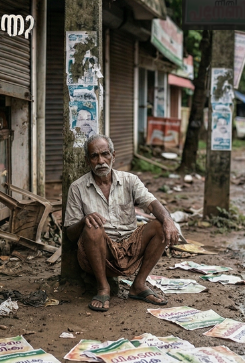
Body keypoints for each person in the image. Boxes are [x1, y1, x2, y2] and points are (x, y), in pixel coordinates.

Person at [64, 134, 180, 312]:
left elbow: (152, 203)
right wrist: (84, 221)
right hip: (100, 252)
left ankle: (139, 285)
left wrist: (168, 220)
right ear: (88, 161)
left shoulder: (130, 181)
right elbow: (70, 235)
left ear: (113, 155)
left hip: (130, 247)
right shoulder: (77, 188)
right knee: (93, 227)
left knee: (159, 225)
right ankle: (103, 288)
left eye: (105, 154)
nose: (101, 161)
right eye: (94, 156)